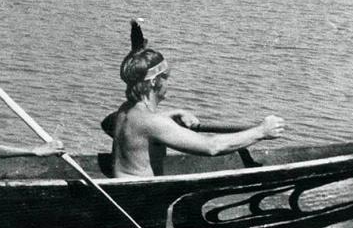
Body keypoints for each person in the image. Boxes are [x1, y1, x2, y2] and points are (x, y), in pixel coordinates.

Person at [105, 21, 285, 179]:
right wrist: (262, 131)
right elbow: (212, 146)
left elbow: (107, 124)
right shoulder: (152, 123)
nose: (168, 83)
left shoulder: (125, 111)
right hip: (141, 204)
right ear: (154, 82)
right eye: (166, 77)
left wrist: (170, 115)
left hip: (126, 191)